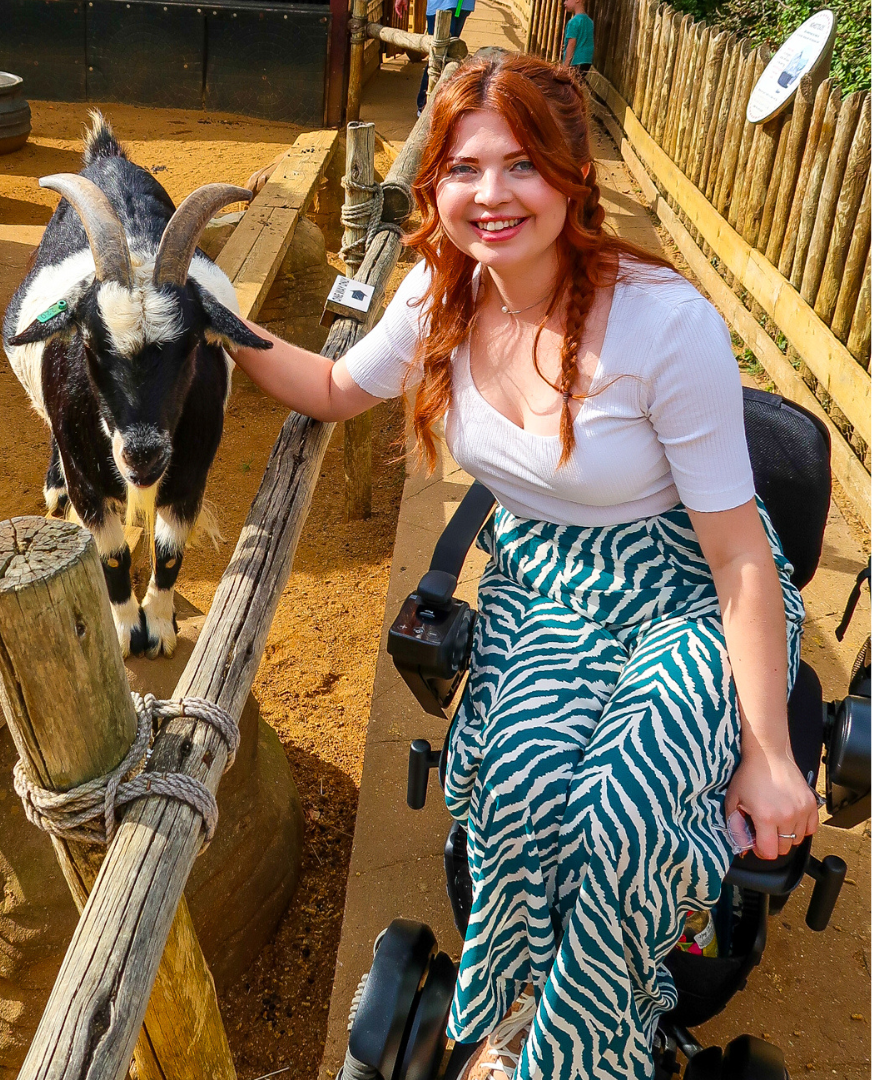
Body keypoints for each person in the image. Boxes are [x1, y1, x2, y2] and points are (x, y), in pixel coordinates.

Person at [227, 52, 817, 1079]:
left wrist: (767, 753)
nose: (490, 196)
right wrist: (212, 315)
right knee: (519, 787)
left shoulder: (664, 325)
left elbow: (740, 560)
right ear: (435, 187)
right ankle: (522, 1009)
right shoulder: (440, 295)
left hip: (683, 586)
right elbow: (327, 385)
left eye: (520, 166)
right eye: (462, 168)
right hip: (545, 582)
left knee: (623, 809)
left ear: (572, 176)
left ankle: (584, 1051)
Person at [393, 0, 473, 115]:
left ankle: (432, 105)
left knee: (446, 55)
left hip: (460, 5)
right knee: (440, 56)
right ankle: (426, 104)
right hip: (447, 5)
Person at [562, 0, 594, 78]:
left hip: (575, 62)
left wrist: (565, 67)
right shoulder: (590, 22)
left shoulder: (573, 22)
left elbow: (572, 43)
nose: (564, 3)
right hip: (586, 62)